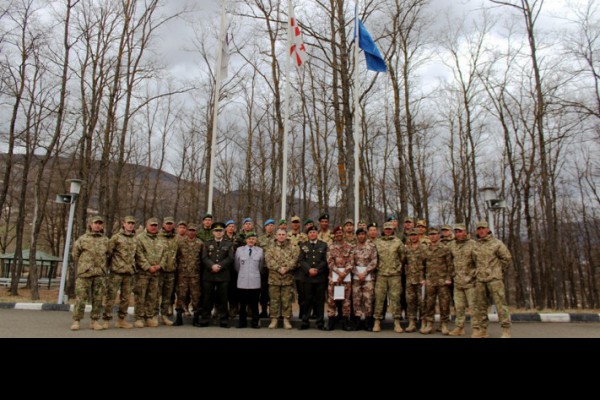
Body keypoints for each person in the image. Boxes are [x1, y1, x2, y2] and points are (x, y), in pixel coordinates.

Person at [472, 220, 512, 338]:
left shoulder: (497, 243)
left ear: (488, 229)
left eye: (483, 228)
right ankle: (483, 330)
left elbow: (507, 258)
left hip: (494, 279)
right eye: (479, 229)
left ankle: (505, 330)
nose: (481, 231)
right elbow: (474, 261)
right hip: (480, 279)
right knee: (480, 306)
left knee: (501, 305)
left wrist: (498, 270)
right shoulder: (476, 245)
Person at [70, 216, 110, 331]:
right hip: (84, 274)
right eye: (95, 223)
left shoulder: (106, 240)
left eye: (100, 223)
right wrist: (84, 265)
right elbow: (75, 254)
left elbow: (109, 254)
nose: (97, 225)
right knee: (81, 298)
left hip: (99, 274)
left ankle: (95, 321)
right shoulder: (83, 239)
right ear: (90, 225)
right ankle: (76, 321)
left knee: (97, 299)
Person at [102, 215, 137, 329]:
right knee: (111, 296)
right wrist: (108, 267)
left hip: (129, 273)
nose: (131, 225)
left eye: (132, 223)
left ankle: (121, 320)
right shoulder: (116, 238)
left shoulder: (134, 239)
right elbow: (108, 253)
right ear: (124, 224)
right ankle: (106, 320)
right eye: (129, 223)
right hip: (116, 272)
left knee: (125, 298)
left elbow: (136, 255)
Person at [199, 222, 235, 328]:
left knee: (223, 298)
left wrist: (219, 266)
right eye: (216, 231)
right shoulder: (207, 243)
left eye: (220, 231)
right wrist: (212, 266)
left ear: (224, 232)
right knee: (207, 298)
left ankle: (224, 320)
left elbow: (230, 258)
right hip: (209, 274)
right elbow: (204, 257)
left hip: (223, 274)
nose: (218, 233)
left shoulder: (229, 244)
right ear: (213, 232)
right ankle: (205, 319)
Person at [134, 217, 167, 328]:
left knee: (153, 296)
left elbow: (165, 254)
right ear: (146, 226)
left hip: (156, 273)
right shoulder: (140, 238)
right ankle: (139, 317)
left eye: (155, 225)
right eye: (151, 225)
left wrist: (160, 265)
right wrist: (148, 267)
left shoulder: (160, 239)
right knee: (141, 295)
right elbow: (138, 254)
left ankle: (149, 317)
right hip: (143, 273)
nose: (153, 227)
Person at [373, 222, 405, 333]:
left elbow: (403, 257)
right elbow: (374, 257)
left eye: (390, 229)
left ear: (393, 229)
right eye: (386, 228)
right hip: (381, 274)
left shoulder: (398, 242)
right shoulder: (378, 242)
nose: (388, 230)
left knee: (395, 299)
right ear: (383, 229)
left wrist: (397, 267)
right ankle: (377, 321)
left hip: (394, 275)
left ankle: (396, 322)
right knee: (379, 299)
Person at [265, 229, 299, 329]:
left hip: (287, 278)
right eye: (279, 234)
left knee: (286, 300)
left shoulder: (292, 248)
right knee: (274, 300)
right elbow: (268, 260)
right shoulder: (270, 248)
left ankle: (286, 320)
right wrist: (279, 268)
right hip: (274, 278)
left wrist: (287, 268)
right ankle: (274, 319)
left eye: (283, 234)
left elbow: (295, 260)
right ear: (276, 236)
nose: (281, 236)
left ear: (286, 236)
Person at [421, 227, 452, 335]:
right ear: (429, 236)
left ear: (439, 236)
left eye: (435, 234)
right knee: (429, 303)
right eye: (431, 234)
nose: (433, 236)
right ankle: (429, 324)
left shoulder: (445, 248)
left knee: (444, 303)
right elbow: (422, 266)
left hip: (443, 281)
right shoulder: (425, 250)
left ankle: (444, 324)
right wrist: (422, 278)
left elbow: (450, 265)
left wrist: (448, 278)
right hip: (430, 281)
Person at [448, 223, 478, 336]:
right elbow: (449, 260)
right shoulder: (452, 245)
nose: (459, 234)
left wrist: (474, 274)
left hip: (470, 282)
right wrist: (452, 273)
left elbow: (479, 261)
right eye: (457, 232)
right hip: (458, 281)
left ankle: (476, 328)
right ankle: (459, 327)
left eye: (461, 231)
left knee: (474, 307)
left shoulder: (473, 244)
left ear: (465, 232)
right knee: (459, 307)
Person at [298, 225, 328, 330]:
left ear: (317, 234)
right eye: (310, 232)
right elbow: (301, 260)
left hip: (320, 278)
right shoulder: (303, 245)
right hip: (307, 278)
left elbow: (325, 260)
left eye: (314, 232)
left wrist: (317, 270)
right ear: (308, 235)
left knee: (320, 301)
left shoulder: (323, 245)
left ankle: (320, 322)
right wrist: (309, 269)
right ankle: (305, 321)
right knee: (307, 300)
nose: (312, 234)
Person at [174, 223, 203, 326]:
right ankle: (178, 318)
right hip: (183, 275)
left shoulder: (200, 243)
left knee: (196, 297)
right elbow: (176, 257)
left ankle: (196, 319)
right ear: (187, 231)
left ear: (196, 232)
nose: (191, 232)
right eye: (190, 230)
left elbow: (202, 259)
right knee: (181, 296)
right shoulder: (180, 243)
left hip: (195, 275)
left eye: (193, 230)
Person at [325, 226, 354, 331]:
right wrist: (338, 272)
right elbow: (329, 261)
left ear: (343, 233)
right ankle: (331, 321)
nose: (339, 234)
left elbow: (351, 262)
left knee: (346, 301)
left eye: (340, 232)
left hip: (345, 278)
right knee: (332, 300)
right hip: (334, 278)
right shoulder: (330, 247)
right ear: (335, 234)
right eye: (337, 233)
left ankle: (345, 322)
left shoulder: (350, 247)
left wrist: (344, 273)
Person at [235, 232, 264, 328]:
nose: (251, 240)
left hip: (254, 281)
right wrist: (243, 273)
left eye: (253, 239)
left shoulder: (260, 251)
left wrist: (254, 274)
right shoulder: (239, 250)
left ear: (256, 241)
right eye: (249, 239)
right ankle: (242, 323)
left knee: (254, 304)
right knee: (242, 304)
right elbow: (237, 266)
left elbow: (260, 266)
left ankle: (255, 323)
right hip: (242, 281)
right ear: (246, 240)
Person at [351, 228, 378, 331]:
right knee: (356, 299)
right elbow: (350, 262)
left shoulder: (371, 247)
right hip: (356, 277)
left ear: (365, 235)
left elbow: (374, 261)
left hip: (368, 277)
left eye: (363, 234)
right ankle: (357, 322)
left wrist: (365, 272)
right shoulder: (353, 248)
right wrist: (358, 273)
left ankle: (368, 322)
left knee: (368, 299)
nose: (361, 236)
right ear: (357, 236)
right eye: (359, 234)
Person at [156, 216, 177, 326]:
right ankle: (153, 316)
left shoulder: (177, 238)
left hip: (171, 271)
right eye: (167, 224)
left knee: (167, 296)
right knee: (155, 294)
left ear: (173, 225)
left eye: (171, 224)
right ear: (163, 225)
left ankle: (164, 316)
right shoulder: (157, 237)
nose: (169, 226)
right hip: (159, 271)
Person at [405, 228, 426, 333]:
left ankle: (423, 322)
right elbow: (404, 262)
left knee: (422, 302)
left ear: (418, 236)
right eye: (411, 235)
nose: (413, 237)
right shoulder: (407, 249)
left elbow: (428, 264)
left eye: (415, 235)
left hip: (420, 279)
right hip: (409, 279)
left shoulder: (424, 248)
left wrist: (425, 278)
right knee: (410, 301)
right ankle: (412, 322)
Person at [257, 219, 276, 318]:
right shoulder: (260, 239)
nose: (270, 227)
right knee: (263, 291)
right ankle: (263, 310)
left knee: (273, 291)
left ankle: (272, 312)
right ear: (265, 227)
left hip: (273, 269)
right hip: (263, 269)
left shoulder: (277, 238)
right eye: (268, 225)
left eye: (272, 225)